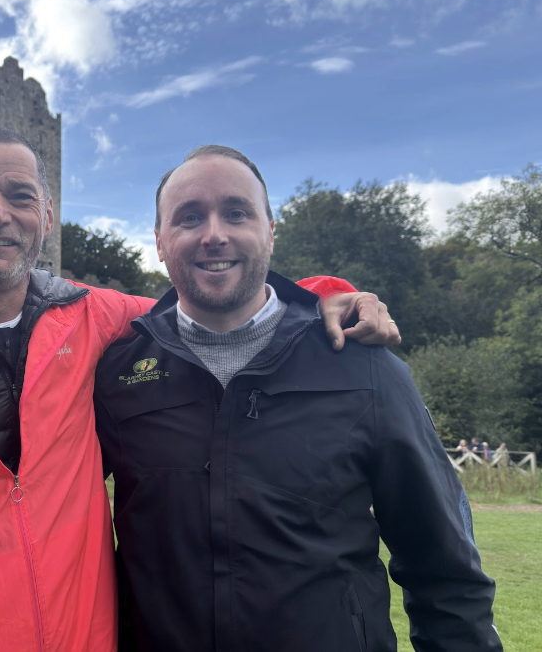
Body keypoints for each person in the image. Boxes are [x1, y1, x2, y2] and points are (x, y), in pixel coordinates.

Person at [0, 129, 396, 651]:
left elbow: (212, 305)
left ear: (47, 216)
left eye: (21, 197)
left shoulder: (95, 321)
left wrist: (320, 297)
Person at [94, 145, 501, 652]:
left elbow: (445, 570)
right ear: (159, 241)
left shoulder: (364, 367)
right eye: (190, 217)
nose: (214, 233)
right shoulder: (119, 375)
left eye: (236, 212)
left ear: (270, 230)